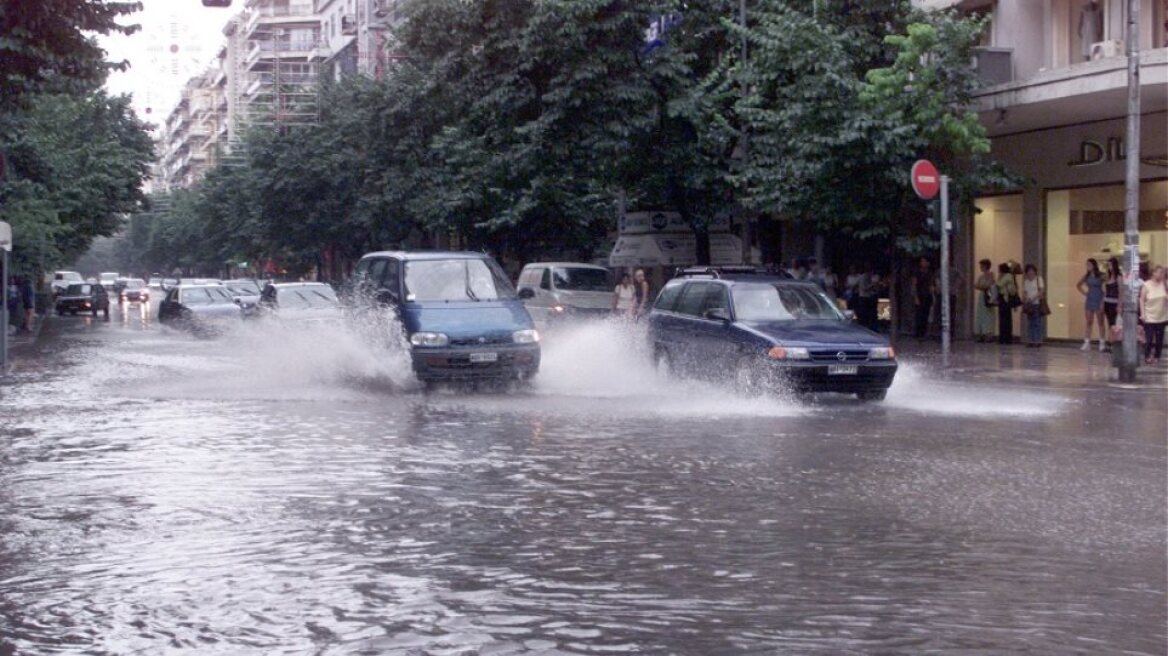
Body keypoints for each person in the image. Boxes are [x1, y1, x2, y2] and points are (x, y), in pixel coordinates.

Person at [1139, 264, 1167, 365]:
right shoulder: (1147, 285)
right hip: (1150, 316)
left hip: (1162, 316)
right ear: (1153, 273)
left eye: (1162, 273)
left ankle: (1157, 356)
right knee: (1149, 339)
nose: (1161, 274)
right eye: (1159, 272)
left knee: (1159, 339)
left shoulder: (1164, 284)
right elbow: (1141, 299)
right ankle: (1147, 355)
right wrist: (1142, 313)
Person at [1076, 258, 1106, 351]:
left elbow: (1106, 287)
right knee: (1089, 321)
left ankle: (1102, 342)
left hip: (1099, 298)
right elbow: (1078, 285)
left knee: (1100, 321)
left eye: (1089, 264)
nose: (1088, 266)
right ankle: (1087, 342)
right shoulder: (1086, 276)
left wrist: (1103, 299)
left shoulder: (1101, 275)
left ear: (1094, 265)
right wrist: (1085, 293)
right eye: (1087, 265)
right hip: (1090, 299)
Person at [1021, 264, 1046, 347]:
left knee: (1037, 323)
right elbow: (1024, 292)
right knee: (1030, 323)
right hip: (1029, 304)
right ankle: (1031, 340)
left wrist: (1033, 298)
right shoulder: (1026, 281)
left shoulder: (1039, 279)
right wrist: (1026, 298)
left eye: (1032, 270)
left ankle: (1038, 341)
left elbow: (1041, 290)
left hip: (1037, 303)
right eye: (1028, 271)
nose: (1030, 272)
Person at [911, 257, 934, 339]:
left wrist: (933, 296)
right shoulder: (917, 273)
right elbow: (914, 285)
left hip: (927, 295)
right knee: (919, 315)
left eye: (925, 261)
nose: (924, 263)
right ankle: (918, 333)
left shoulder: (930, 273)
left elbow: (931, 285)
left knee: (926, 314)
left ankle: (923, 333)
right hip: (919, 295)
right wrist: (915, 297)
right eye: (922, 261)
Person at [973, 259, 996, 342]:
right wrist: (981, 286)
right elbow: (977, 285)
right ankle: (981, 333)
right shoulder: (981, 276)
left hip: (988, 296)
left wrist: (982, 286)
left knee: (988, 315)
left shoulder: (990, 275)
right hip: (982, 296)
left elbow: (988, 285)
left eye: (982, 266)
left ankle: (989, 335)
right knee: (981, 315)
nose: (981, 268)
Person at [1102, 256, 1122, 350]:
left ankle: (1113, 343)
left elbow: (1121, 291)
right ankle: (1110, 342)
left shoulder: (1118, 276)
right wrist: (1102, 302)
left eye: (1110, 264)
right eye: (1108, 265)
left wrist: (1119, 305)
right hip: (1107, 301)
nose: (1109, 267)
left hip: (1114, 302)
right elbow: (1105, 290)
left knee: (1114, 323)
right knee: (1109, 323)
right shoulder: (1108, 276)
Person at [996, 262, 1017, 345]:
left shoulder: (1008, 276)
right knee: (1002, 319)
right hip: (1002, 298)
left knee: (1006, 319)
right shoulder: (1004, 276)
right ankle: (1003, 337)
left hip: (1006, 298)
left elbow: (999, 284)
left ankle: (1007, 338)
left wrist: (999, 277)